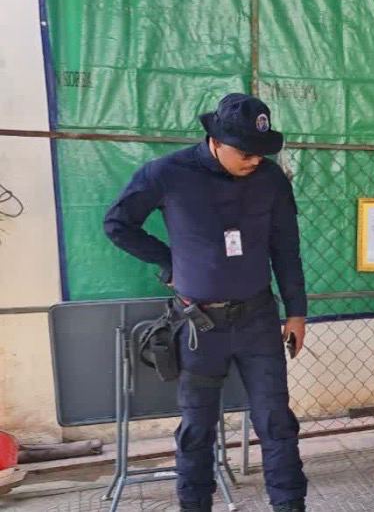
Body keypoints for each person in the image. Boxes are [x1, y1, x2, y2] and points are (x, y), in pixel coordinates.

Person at [104, 93, 308, 512]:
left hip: (258, 320)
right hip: (199, 327)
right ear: (215, 139)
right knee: (197, 427)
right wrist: (168, 262)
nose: (254, 160)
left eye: (261, 152)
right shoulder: (167, 174)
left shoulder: (270, 180)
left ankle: (290, 506)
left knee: (276, 423)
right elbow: (118, 224)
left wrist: (297, 312)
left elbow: (286, 247)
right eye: (245, 151)